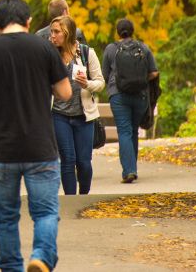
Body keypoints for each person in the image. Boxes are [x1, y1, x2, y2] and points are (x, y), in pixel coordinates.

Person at [0, 0, 72, 272]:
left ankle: (12, 266)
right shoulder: (44, 48)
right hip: (41, 147)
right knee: (46, 212)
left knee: (5, 217)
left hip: (1, 149)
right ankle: (41, 256)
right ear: (27, 21)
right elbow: (65, 92)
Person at [50, 15, 104, 195]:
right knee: (67, 160)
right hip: (59, 115)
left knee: (84, 162)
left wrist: (86, 84)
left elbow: (100, 82)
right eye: (52, 32)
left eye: (56, 32)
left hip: (84, 117)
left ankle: (84, 196)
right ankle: (71, 200)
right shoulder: (51, 55)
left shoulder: (87, 53)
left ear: (67, 33)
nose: (53, 36)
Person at [103, 17, 159, 184]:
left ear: (118, 32)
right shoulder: (143, 48)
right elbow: (154, 72)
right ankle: (131, 168)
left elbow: (105, 75)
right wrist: (141, 79)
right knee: (133, 130)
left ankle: (129, 170)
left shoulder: (111, 49)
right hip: (140, 95)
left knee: (124, 131)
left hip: (118, 95)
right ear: (133, 31)